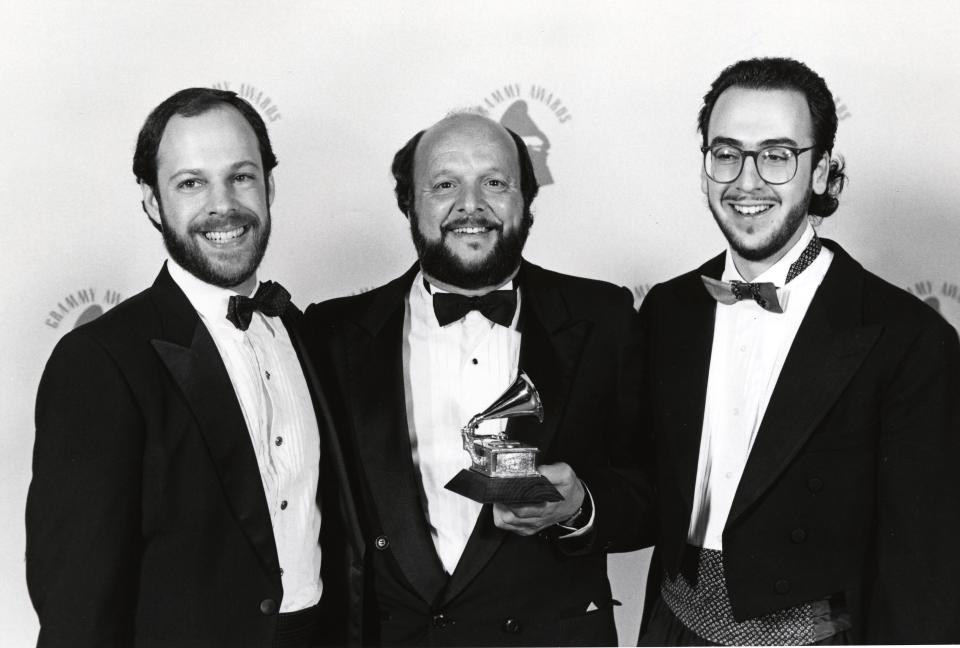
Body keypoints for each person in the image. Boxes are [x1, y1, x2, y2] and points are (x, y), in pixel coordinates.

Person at [637, 57, 960, 645]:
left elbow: (923, 562)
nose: (747, 181)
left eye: (778, 155)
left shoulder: (909, 336)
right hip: (671, 627)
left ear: (822, 173)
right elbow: (641, 486)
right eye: (727, 153)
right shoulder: (667, 309)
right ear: (706, 169)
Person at [26, 88, 362, 648]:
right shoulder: (99, 360)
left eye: (241, 176)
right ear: (152, 201)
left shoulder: (302, 333)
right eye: (191, 183)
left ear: (269, 186)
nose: (222, 205)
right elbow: (76, 605)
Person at [303, 113, 655, 646]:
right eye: (445, 184)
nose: (471, 204)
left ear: (526, 202)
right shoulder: (330, 334)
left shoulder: (604, 318)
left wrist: (581, 505)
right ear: (409, 204)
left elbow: (656, 492)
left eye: (495, 182)